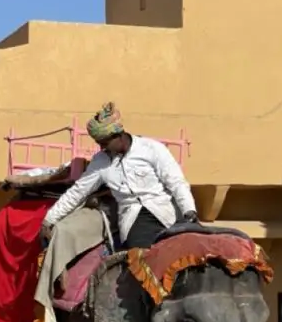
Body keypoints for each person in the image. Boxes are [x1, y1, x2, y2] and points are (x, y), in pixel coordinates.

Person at [40, 102, 198, 249]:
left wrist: (189, 210)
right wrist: (49, 219)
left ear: (118, 135)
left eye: (104, 142)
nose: (101, 147)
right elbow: (78, 192)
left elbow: (176, 182)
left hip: (166, 209)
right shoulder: (100, 162)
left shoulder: (152, 149)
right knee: (141, 262)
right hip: (135, 216)